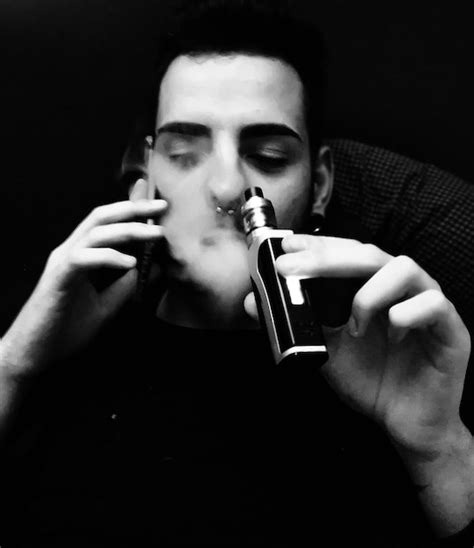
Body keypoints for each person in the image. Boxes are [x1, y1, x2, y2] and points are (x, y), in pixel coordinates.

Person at [0, 1, 473, 546]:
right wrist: (14, 363)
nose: (227, 188)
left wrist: (440, 449)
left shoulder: (400, 366)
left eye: (269, 156)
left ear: (319, 186)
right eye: (182, 153)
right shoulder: (65, 348)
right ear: (148, 173)